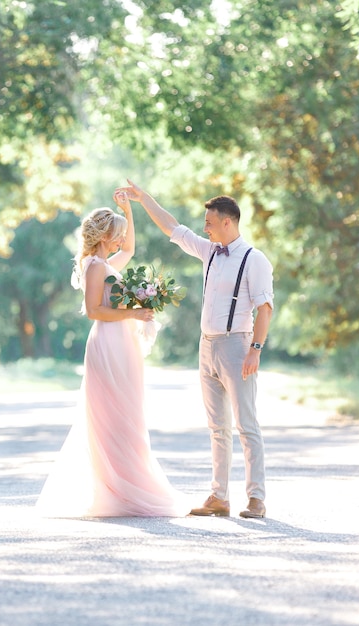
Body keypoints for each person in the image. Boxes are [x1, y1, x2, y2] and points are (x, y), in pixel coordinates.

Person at [117, 180, 274, 519]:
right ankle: (219, 497)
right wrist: (144, 199)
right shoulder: (208, 252)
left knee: (246, 425)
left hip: (237, 346)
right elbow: (172, 227)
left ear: (227, 222)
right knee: (217, 427)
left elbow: (265, 308)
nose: (205, 228)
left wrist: (255, 350)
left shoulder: (254, 259)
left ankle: (256, 498)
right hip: (207, 348)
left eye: (210, 222)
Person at [36, 191, 187, 517]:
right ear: (104, 237)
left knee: (129, 413)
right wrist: (133, 314)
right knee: (111, 415)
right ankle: (117, 489)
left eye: (120, 234)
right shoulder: (94, 267)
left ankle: (128, 484)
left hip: (124, 344)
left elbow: (131, 249)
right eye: (116, 235)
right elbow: (94, 310)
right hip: (107, 343)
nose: (121, 240)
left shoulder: (106, 264)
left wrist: (128, 210)